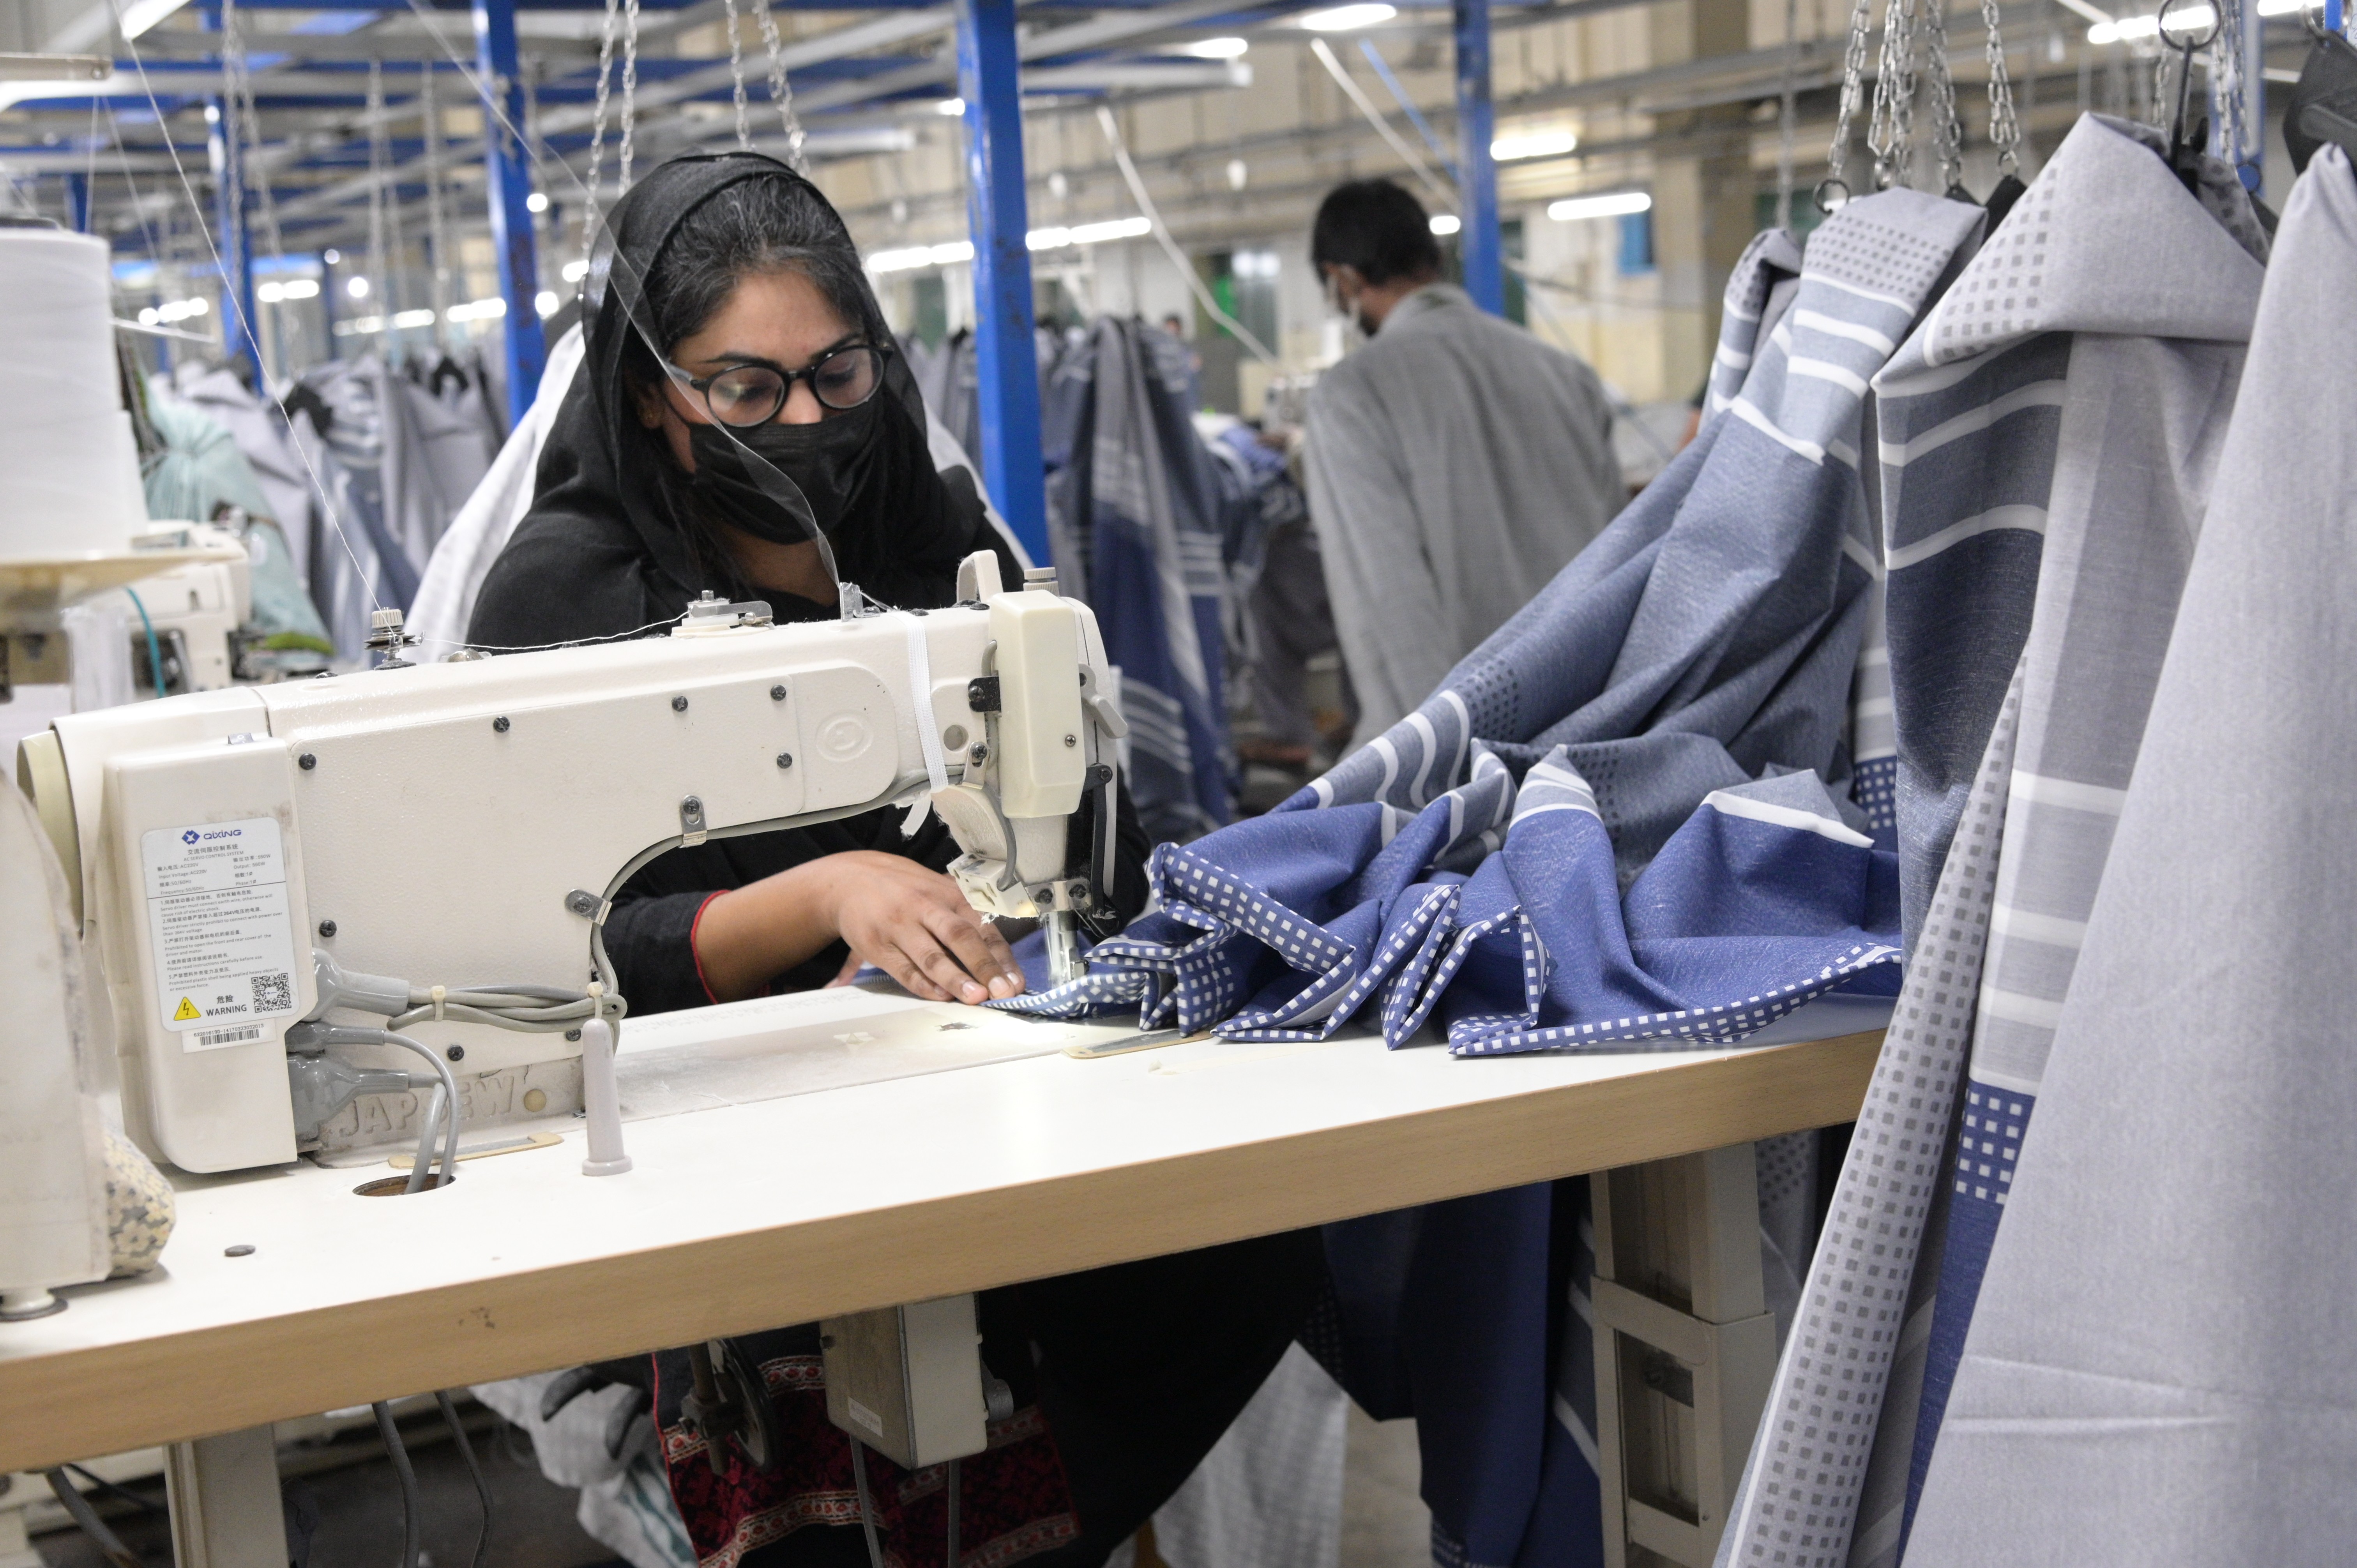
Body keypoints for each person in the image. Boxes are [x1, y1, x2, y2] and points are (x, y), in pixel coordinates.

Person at [470, 153, 1315, 1568]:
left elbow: (1070, 799)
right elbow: (533, 959)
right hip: (715, 1140)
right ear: (644, 391)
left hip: (955, 1097)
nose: (804, 418)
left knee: (1256, 1237)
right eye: (744, 389)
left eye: (838, 374)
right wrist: (814, 898)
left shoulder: (930, 545)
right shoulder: (564, 596)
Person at [1305, 178, 1622, 747]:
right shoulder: (1566, 375)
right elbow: (1617, 558)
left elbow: (1389, 599)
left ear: (1343, 279)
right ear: (1431, 259)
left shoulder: (1352, 393)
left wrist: (1436, 764)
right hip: (1590, 720)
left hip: (1461, 745)